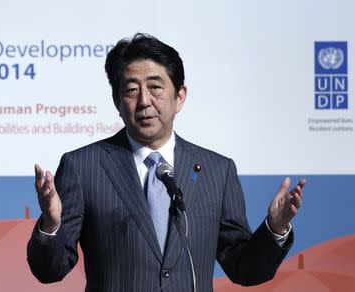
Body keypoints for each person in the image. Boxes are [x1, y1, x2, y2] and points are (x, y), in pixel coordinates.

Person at [27, 33, 305, 292]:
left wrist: (274, 229)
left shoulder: (217, 171)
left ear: (179, 96)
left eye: (155, 87)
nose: (144, 101)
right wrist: (51, 225)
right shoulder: (84, 167)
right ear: (116, 101)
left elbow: (244, 269)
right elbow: (49, 271)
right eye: (132, 90)